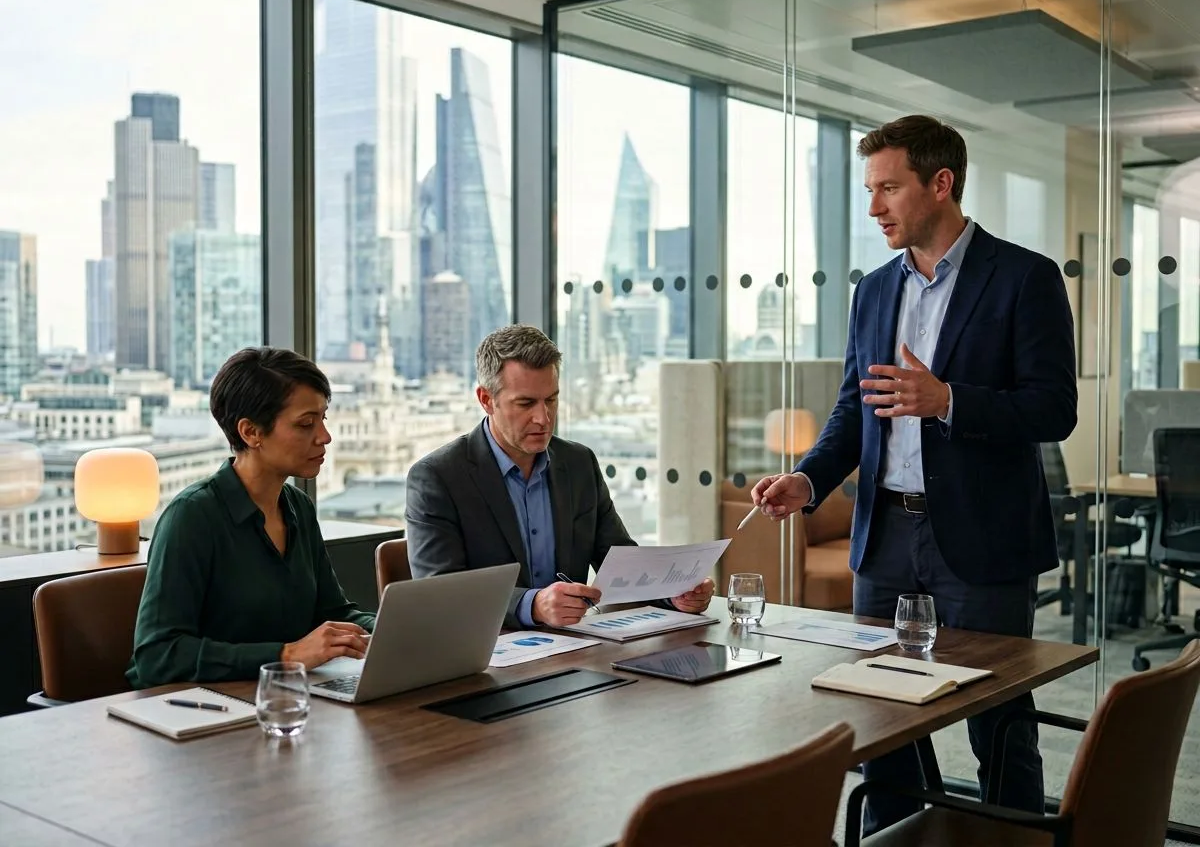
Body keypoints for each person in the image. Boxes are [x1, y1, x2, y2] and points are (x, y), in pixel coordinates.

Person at [751, 115, 1076, 835]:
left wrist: (948, 399)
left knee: (997, 718)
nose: (875, 208)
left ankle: (1012, 842)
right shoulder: (872, 290)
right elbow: (852, 409)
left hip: (982, 538)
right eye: (870, 190)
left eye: (889, 188)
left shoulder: (1024, 277)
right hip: (886, 536)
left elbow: (1055, 408)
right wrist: (810, 479)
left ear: (940, 183)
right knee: (881, 715)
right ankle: (893, 840)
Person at [406, 324, 715, 629]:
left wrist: (673, 593)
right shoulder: (437, 478)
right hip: (486, 657)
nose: (543, 418)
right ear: (487, 400)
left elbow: (620, 563)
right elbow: (442, 592)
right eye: (526, 403)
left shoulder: (578, 463)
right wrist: (532, 605)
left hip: (574, 649)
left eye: (551, 399)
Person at [127, 347, 375, 689]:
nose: (324, 436)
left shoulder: (298, 507)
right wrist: (286, 656)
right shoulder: (192, 517)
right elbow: (158, 655)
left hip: (281, 699)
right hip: (204, 713)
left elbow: (332, 613)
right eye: (306, 424)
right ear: (251, 432)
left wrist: (396, 628)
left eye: (323, 419)